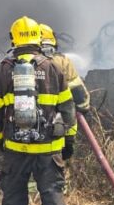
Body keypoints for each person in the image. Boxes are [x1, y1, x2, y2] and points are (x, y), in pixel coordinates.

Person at [0, 16, 75, 205]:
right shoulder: (53, 66)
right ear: (38, 37)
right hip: (48, 149)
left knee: (14, 194)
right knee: (52, 194)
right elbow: (67, 109)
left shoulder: (5, 69)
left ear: (14, 38)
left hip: (16, 148)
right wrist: (69, 143)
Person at [39, 23, 90, 163]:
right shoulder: (62, 62)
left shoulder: (19, 65)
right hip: (57, 132)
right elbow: (81, 98)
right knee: (54, 175)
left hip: (24, 136)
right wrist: (83, 109)